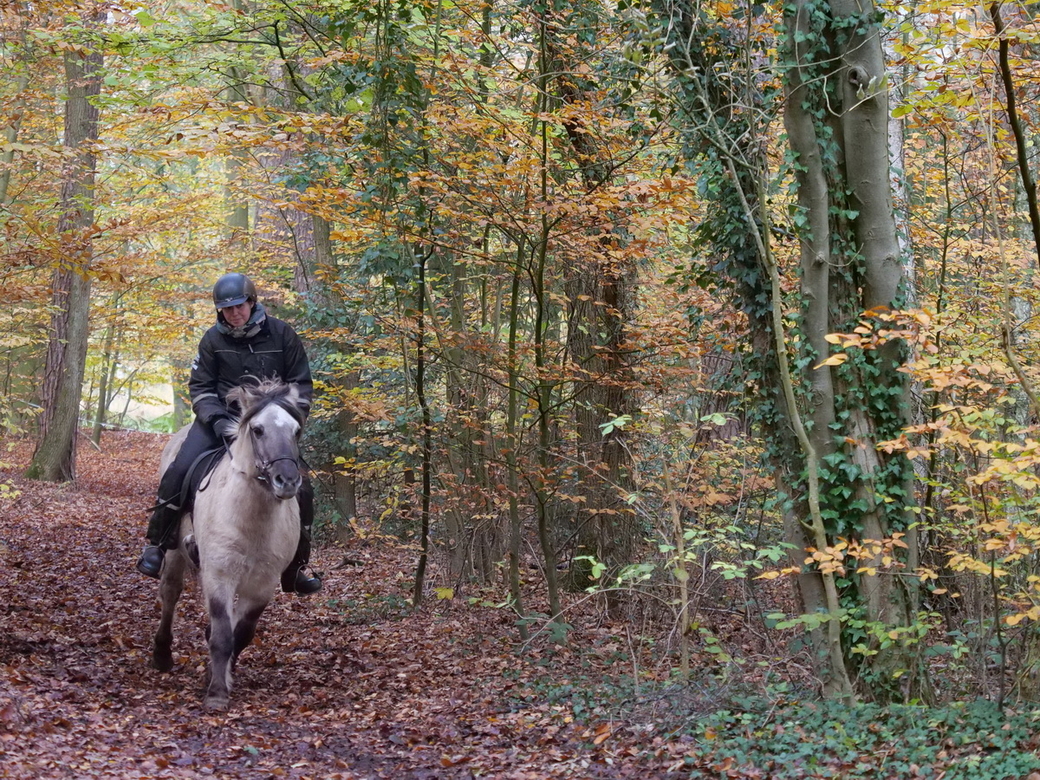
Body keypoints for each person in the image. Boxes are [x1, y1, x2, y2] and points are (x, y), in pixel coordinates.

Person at [136, 272, 322, 595]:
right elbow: (200, 388)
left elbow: (301, 385)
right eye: (227, 309)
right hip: (221, 423)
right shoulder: (212, 340)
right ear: (220, 311)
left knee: (302, 487)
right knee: (179, 470)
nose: (234, 313)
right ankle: (158, 544)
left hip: (270, 425)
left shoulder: (283, 335)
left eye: (240, 306)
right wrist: (220, 422)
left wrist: (289, 421)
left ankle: (297, 567)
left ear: (252, 302)